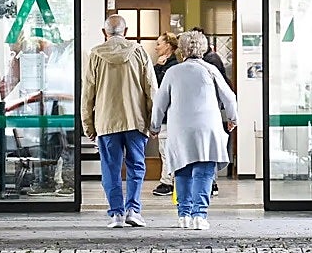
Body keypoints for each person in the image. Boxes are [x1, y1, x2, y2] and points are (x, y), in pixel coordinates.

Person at [150, 30, 237, 231]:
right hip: (207, 127)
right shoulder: (210, 70)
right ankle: (200, 216)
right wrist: (233, 119)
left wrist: (154, 127)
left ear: (181, 50)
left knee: (182, 171)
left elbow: (159, 103)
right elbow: (229, 97)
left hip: (180, 128)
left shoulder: (173, 72)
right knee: (204, 173)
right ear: (203, 48)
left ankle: (184, 216)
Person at [81, 14, 157, 228]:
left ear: (104, 32)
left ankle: (116, 214)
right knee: (136, 166)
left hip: (106, 122)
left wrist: (88, 125)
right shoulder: (139, 52)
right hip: (136, 120)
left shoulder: (95, 54)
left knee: (110, 168)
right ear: (126, 31)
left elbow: (87, 94)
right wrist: (153, 121)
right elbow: (152, 88)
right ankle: (133, 209)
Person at [190, 26, 229, 195]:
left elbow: (221, 90)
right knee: (205, 149)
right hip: (208, 110)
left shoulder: (210, 62)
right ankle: (207, 183)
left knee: (206, 149)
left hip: (209, 110)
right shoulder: (208, 61)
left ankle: (211, 183)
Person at [150, 33, 180, 197]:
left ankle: (167, 182)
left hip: (168, 115)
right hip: (166, 115)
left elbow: (158, 87)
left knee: (166, 149)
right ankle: (168, 180)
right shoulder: (165, 65)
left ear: (168, 45)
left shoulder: (172, 66)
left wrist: (157, 68)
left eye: (159, 44)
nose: (156, 47)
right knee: (165, 149)